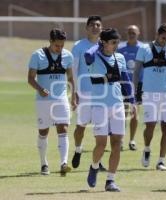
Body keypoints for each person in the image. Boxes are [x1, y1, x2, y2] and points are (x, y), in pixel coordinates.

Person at [85, 28, 136, 192]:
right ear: (104, 43)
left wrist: (132, 101)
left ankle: (110, 180)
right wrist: (97, 45)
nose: (116, 46)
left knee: (117, 144)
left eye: (117, 43)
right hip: (99, 106)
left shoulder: (119, 57)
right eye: (113, 43)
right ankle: (94, 166)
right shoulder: (94, 57)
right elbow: (87, 55)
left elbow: (126, 80)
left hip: (117, 105)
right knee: (101, 145)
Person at [134, 23, 166, 171]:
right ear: (157, 35)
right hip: (149, 93)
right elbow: (137, 72)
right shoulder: (144, 48)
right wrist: (136, 90)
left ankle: (161, 161)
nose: (165, 42)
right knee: (150, 125)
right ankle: (147, 149)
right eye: (163, 38)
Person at [27, 28, 76, 176]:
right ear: (50, 42)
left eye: (62, 45)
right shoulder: (37, 55)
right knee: (43, 131)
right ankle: (44, 164)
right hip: (43, 101)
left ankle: (63, 164)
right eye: (57, 45)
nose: (60, 48)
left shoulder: (67, 56)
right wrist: (40, 89)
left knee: (64, 129)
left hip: (61, 99)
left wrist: (73, 96)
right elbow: (30, 79)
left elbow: (71, 79)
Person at [71, 15, 106, 171]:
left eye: (98, 25)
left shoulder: (106, 45)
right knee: (81, 126)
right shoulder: (79, 46)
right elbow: (73, 71)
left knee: (101, 129)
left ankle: (97, 162)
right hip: (84, 92)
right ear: (86, 28)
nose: (95, 27)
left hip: (102, 94)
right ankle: (78, 149)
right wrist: (74, 92)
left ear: (102, 28)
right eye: (92, 25)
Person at [117, 25, 143, 151]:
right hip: (123, 84)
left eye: (134, 32)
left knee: (134, 113)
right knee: (123, 113)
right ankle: (121, 139)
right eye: (129, 32)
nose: (132, 34)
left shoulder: (143, 48)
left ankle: (132, 140)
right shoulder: (121, 48)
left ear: (138, 33)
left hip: (137, 85)